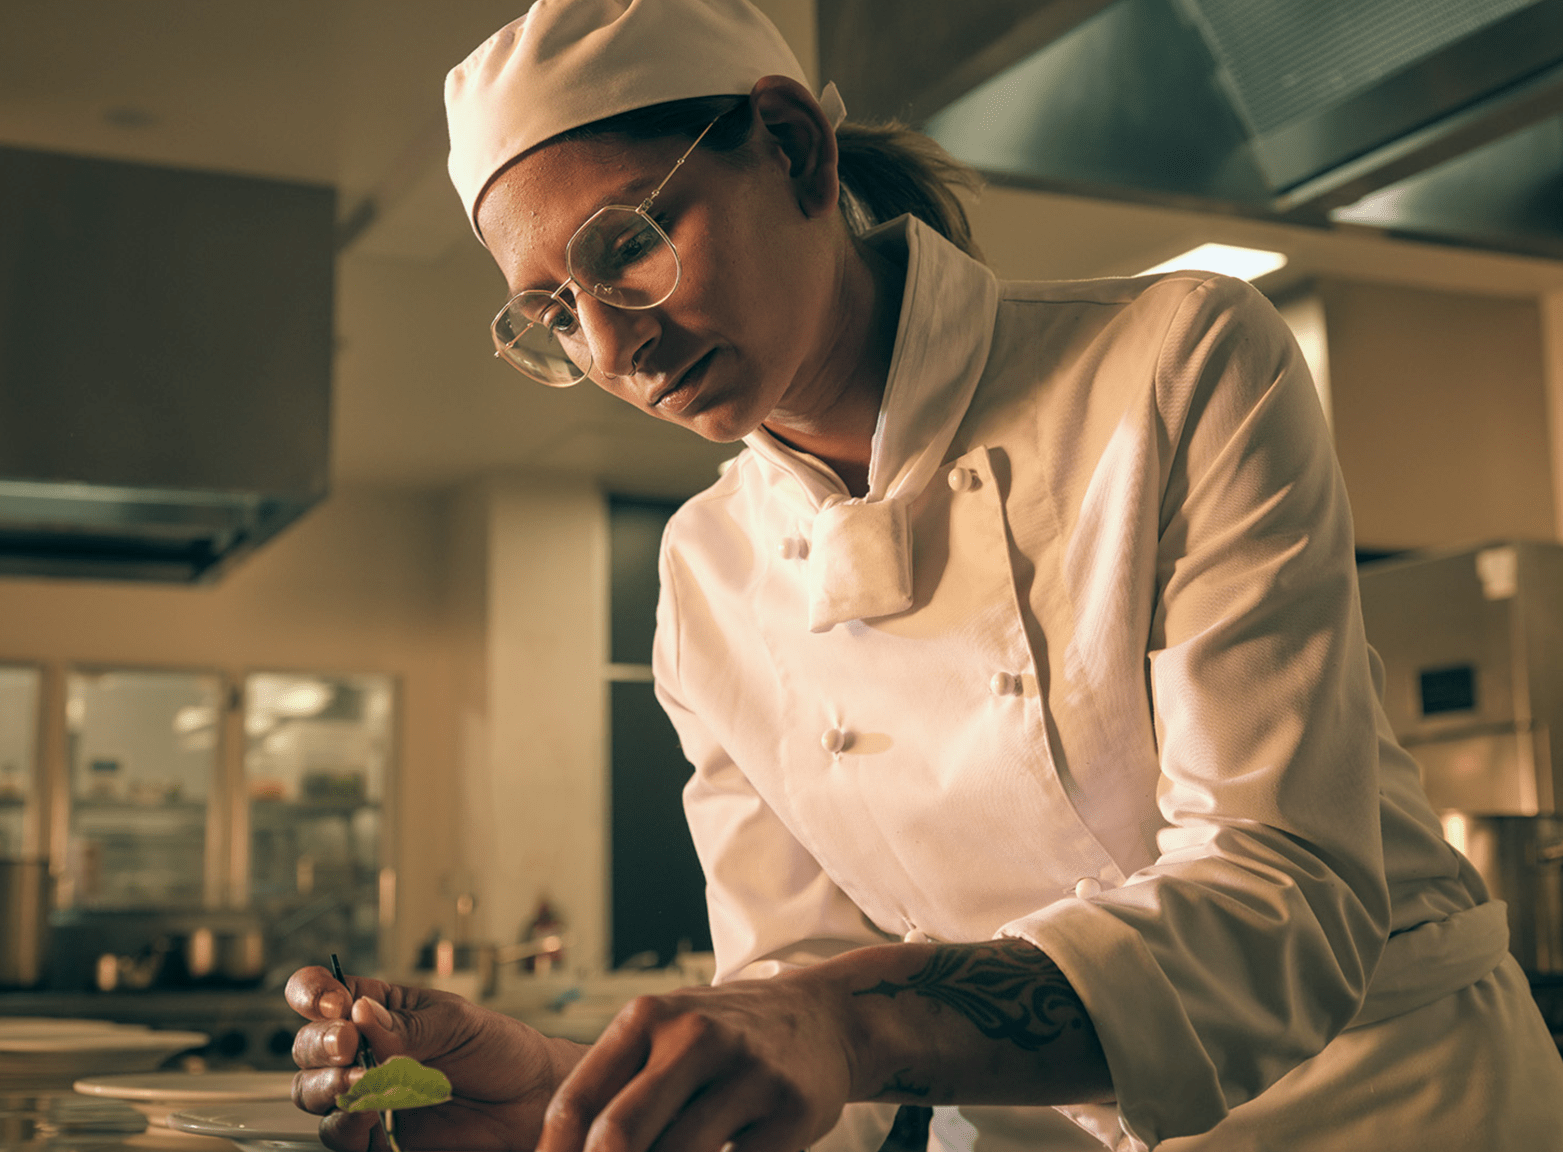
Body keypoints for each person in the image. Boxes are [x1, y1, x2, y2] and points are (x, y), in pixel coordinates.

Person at [287, 1, 1563, 1149]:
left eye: (627, 241)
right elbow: (793, 1032)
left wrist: (844, 1025)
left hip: (1385, 1101)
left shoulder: (1175, 364)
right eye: (556, 310)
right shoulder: (705, 570)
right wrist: (571, 1097)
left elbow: (1283, 898)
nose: (615, 341)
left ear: (789, 147)